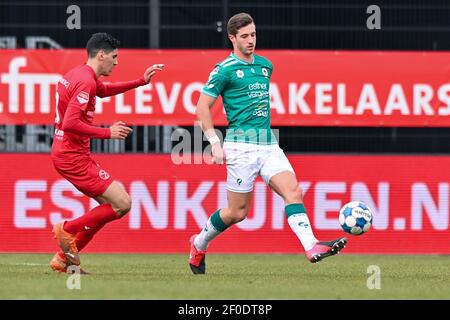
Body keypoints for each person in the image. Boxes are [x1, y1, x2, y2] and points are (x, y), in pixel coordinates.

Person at [189, 13, 347, 274]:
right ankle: (198, 242)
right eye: (244, 36)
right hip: (241, 147)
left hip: (268, 144)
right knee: (237, 213)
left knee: (293, 192)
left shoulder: (265, 66)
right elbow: (202, 107)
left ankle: (311, 246)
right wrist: (214, 142)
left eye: (253, 34)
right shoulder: (224, 69)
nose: (251, 40)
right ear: (232, 38)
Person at [50, 32, 164, 273]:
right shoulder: (85, 81)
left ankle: (64, 259)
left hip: (68, 152)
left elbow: (103, 90)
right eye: (114, 57)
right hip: (72, 156)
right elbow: (70, 123)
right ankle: (68, 229)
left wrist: (140, 81)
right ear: (101, 55)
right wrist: (108, 133)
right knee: (123, 203)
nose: (116, 62)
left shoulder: (79, 74)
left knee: (108, 210)